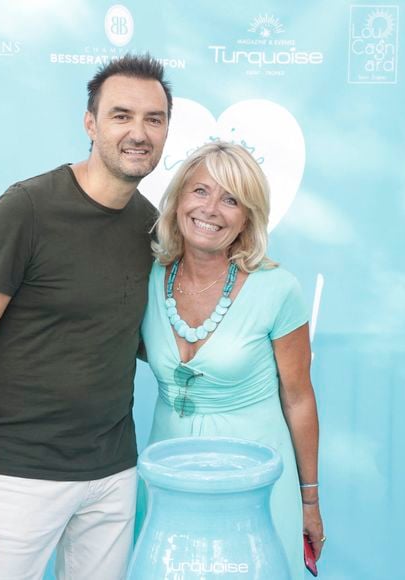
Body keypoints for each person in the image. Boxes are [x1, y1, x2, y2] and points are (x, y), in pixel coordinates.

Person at [0, 54, 172, 580]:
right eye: (121, 115)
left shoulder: (152, 226)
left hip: (114, 474)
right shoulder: (27, 209)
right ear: (90, 123)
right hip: (19, 475)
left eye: (153, 119)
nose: (139, 132)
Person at [138, 142, 324, 578]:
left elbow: (299, 399)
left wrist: (309, 500)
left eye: (231, 199)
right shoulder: (145, 276)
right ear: (179, 199)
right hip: (168, 475)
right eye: (200, 191)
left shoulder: (278, 289)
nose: (211, 209)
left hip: (254, 485)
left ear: (247, 218)